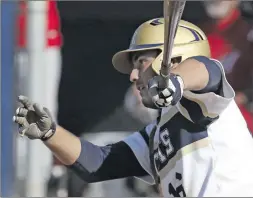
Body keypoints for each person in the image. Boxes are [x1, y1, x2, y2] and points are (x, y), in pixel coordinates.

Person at [13, 17, 253, 197]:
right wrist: (50, 134)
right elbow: (98, 163)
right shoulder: (159, 129)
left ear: (174, 59)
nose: (133, 75)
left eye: (141, 62)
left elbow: (206, 69)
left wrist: (175, 81)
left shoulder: (206, 99)